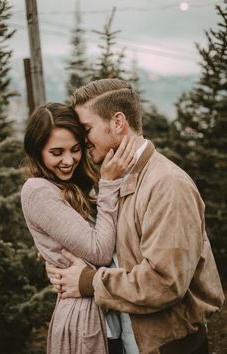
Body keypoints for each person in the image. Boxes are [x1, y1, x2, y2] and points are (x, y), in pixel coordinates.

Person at [46, 79, 225, 354]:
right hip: (127, 343)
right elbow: (105, 249)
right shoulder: (110, 179)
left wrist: (87, 282)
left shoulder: (167, 184)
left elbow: (165, 282)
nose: (80, 140)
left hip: (170, 347)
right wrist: (59, 262)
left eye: (86, 129)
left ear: (118, 122)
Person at [21, 102, 136, 354]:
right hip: (87, 321)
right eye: (56, 152)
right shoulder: (37, 190)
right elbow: (99, 250)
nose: (68, 160)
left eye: (75, 149)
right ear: (37, 151)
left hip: (110, 312)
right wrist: (108, 184)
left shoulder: (74, 185)